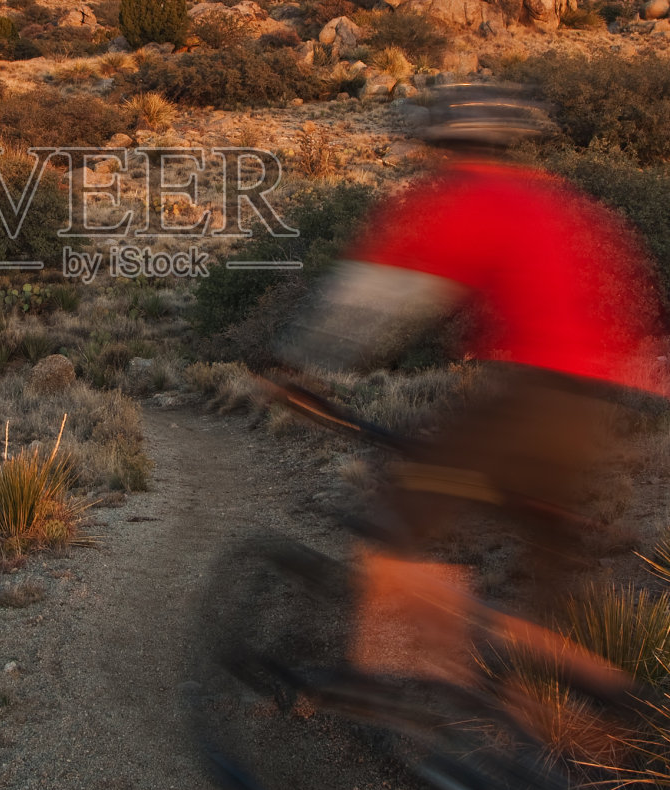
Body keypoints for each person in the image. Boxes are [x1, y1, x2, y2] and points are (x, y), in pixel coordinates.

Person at [275, 82, 666, 613]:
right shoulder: (561, 202)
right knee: (545, 547)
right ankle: (555, 682)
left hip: (531, 401)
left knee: (405, 505)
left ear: (448, 148)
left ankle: (380, 680)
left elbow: (381, 296)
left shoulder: (470, 199)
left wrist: (301, 361)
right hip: (592, 408)